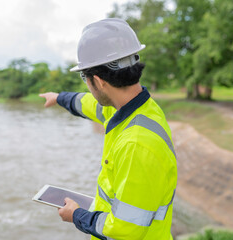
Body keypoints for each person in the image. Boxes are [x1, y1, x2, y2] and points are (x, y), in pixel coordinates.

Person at [39, 18, 177, 240]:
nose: (86, 85)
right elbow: (88, 104)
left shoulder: (137, 145)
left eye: (84, 77)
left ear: (99, 81)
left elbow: (124, 231)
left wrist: (76, 215)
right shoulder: (134, 108)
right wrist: (58, 98)